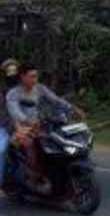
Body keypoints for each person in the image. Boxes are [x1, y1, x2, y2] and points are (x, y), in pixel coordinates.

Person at [6, 63, 75, 195]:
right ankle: (33, 177)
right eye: (32, 77)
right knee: (30, 144)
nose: (35, 79)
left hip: (39, 125)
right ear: (22, 77)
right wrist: (27, 120)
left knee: (56, 140)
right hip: (19, 127)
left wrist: (71, 108)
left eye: (36, 76)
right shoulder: (13, 93)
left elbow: (55, 100)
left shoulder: (40, 89)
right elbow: (14, 112)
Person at [0, 58, 18, 189]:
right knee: (1, 150)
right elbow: (3, 112)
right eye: (9, 71)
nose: (12, 73)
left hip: (25, 123)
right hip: (5, 125)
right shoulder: (2, 89)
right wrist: (11, 126)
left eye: (14, 70)